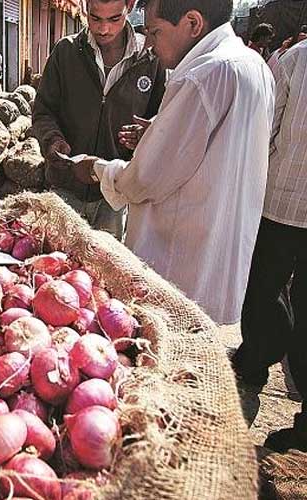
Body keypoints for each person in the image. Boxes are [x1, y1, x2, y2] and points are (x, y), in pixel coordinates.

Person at [72, 0, 275, 325]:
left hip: (178, 269)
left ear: (193, 24)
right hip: (216, 265)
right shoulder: (253, 65)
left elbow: (144, 180)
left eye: (155, 32)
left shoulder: (202, 75)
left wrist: (97, 168)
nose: (149, 44)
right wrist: (159, 134)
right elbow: (220, 148)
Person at [32, 0, 166, 240]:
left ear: (130, 6)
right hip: (65, 188)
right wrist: (52, 139)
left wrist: (146, 134)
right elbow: (43, 111)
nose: (104, 29)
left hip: (115, 195)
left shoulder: (151, 58)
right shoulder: (65, 52)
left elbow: (163, 121)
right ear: (85, 7)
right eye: (95, 18)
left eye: (114, 19)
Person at [232, 39, 307, 453]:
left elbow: (265, 134)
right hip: (282, 207)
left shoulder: (295, 60)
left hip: (280, 206)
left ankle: (255, 365)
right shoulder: (292, 59)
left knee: (264, 292)